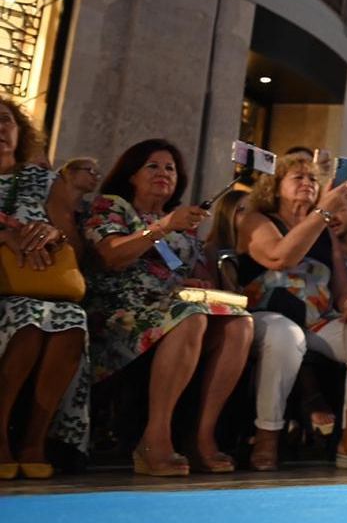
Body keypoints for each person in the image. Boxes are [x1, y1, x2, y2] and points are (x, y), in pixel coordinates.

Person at [83, 139, 254, 476]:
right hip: (119, 311)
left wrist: (197, 283)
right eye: (153, 166)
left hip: (170, 306)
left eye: (170, 168)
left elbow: (189, 273)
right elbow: (110, 256)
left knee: (240, 323)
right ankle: (154, 438)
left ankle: (202, 435)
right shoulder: (113, 206)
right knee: (189, 319)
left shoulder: (182, 225)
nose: (163, 173)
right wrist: (162, 226)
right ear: (132, 175)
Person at [233, 152, 347, 470]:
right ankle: (267, 435)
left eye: (313, 179)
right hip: (265, 313)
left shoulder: (324, 229)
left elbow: (342, 285)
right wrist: (322, 212)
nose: (307, 183)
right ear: (275, 187)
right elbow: (280, 258)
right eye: (298, 178)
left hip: (316, 318)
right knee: (286, 336)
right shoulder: (256, 218)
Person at [0, 100, 88, 479]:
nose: (0, 128)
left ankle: (36, 438)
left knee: (70, 318)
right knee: (29, 321)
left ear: (19, 131)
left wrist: (55, 233)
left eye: (5, 121)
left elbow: (75, 242)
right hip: (5, 293)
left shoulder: (42, 180)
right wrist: (6, 236)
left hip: (46, 288)